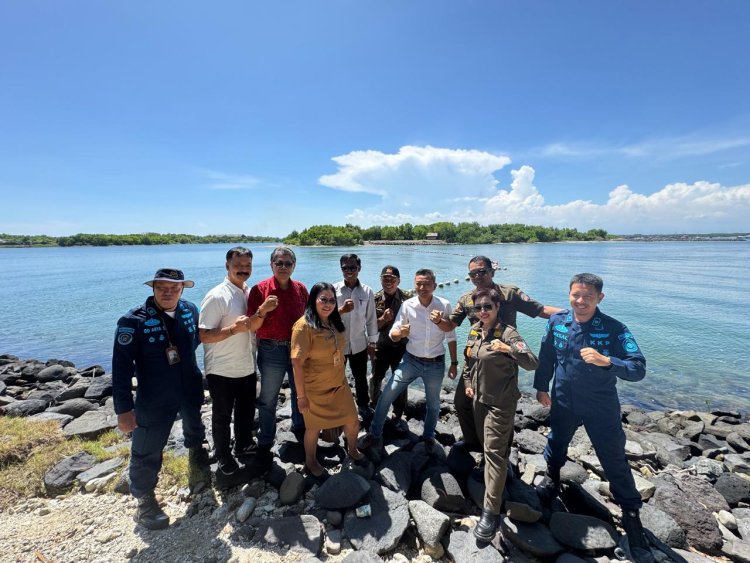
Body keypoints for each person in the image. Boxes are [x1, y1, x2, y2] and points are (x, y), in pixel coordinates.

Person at [534, 273, 654, 563]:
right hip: (563, 400)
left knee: (614, 459)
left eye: (588, 296)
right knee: (557, 441)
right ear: (569, 294)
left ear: (600, 297)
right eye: (576, 294)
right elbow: (547, 354)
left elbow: (638, 368)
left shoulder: (614, 329)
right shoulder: (558, 321)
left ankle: (631, 515)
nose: (580, 301)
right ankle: (552, 478)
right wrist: (540, 385)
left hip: (600, 405)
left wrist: (608, 361)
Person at [112, 268, 208, 530]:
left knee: (195, 429)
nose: (168, 293)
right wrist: (123, 410)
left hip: (189, 386)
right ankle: (144, 501)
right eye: (162, 288)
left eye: (174, 288)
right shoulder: (133, 321)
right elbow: (120, 368)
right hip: (154, 395)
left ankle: (197, 463)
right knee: (146, 448)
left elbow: (192, 343)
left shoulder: (190, 310)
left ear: (183, 289)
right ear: (153, 288)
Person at [442, 255, 559, 452]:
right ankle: (475, 443)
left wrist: (578, 314)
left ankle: (501, 452)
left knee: (501, 407)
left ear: (492, 271)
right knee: (462, 402)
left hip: (505, 359)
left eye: (482, 272)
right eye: (472, 273)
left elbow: (541, 310)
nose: (477, 276)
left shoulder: (509, 293)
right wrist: (435, 320)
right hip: (477, 358)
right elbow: (450, 325)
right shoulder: (466, 299)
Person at [463, 288, 539, 542]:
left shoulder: (508, 333)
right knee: (491, 447)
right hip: (479, 400)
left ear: (497, 308)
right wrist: (467, 383)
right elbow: (469, 361)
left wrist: (509, 349)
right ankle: (503, 474)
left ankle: (490, 511)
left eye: (487, 307)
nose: (482, 311)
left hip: (501, 403)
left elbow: (531, 362)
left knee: (493, 454)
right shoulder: (475, 330)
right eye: (478, 308)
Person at [366, 269, 458, 450]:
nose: (422, 288)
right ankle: (374, 433)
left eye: (426, 284)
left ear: (434, 284)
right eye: (418, 284)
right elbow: (393, 333)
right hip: (411, 361)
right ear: (414, 284)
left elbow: (451, 335)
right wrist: (400, 333)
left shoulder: (444, 304)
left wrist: (454, 363)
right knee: (386, 395)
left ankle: (428, 436)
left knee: (433, 404)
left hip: (435, 363)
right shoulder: (408, 305)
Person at [291, 282, 366, 481]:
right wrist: (301, 397)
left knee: (352, 420)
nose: (328, 304)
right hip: (315, 389)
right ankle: (311, 460)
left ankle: (352, 449)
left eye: (332, 300)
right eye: (323, 299)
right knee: (313, 428)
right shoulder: (303, 326)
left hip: (339, 385)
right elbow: (297, 364)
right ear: (313, 300)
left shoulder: (334, 321)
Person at [199, 247, 259, 477]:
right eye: (238, 266)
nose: (243, 270)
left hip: (246, 363)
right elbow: (204, 335)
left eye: (247, 266)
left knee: (245, 410)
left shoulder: (249, 292)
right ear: (227, 266)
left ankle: (243, 444)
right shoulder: (216, 296)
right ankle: (223, 454)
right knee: (222, 415)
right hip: (221, 368)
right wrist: (234, 329)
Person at [247, 247, 308, 458]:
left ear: (294, 266)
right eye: (279, 263)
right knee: (268, 398)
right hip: (270, 349)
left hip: (297, 349)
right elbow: (252, 325)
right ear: (271, 264)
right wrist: (262, 310)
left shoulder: (300, 289)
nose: (283, 267)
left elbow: (309, 321)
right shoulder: (259, 290)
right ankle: (266, 439)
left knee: (300, 391)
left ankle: (299, 428)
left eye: (288, 263)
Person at [369, 265, 413, 431]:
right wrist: (383, 319)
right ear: (380, 279)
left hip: (402, 347)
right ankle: (373, 405)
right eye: (385, 278)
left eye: (392, 279)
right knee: (376, 377)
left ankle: (398, 412)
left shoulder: (408, 298)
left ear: (398, 280)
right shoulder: (374, 299)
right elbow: (371, 327)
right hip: (381, 346)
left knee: (401, 380)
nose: (388, 282)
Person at [334, 253, 378, 414]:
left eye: (353, 267)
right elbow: (325, 316)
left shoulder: (367, 291)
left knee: (360, 377)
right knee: (336, 376)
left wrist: (372, 344)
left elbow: (372, 319)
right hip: (338, 344)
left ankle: (363, 405)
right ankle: (337, 405)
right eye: (345, 268)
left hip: (359, 343)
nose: (349, 271)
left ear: (359, 268)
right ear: (341, 269)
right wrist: (341, 310)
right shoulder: (333, 290)